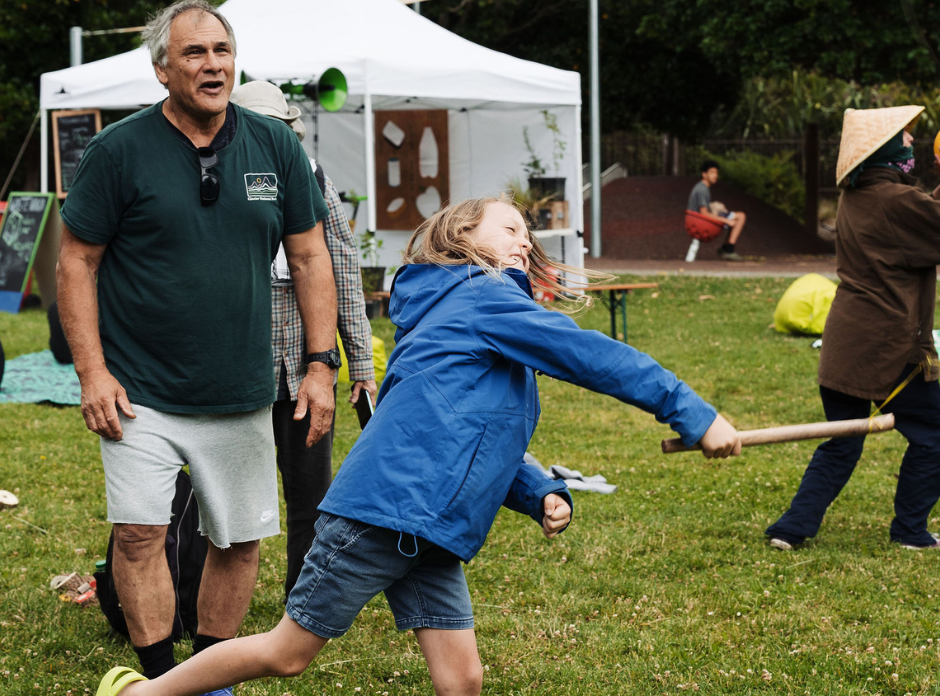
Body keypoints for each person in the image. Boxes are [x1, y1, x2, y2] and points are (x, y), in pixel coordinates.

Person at [96, 197, 740, 696]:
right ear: (463, 239)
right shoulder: (484, 300)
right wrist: (694, 414)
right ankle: (147, 691)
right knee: (286, 653)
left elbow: (465, 434)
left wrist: (537, 489)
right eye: (509, 228)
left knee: (461, 681)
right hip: (380, 517)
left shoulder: (466, 316)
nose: (525, 240)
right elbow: (594, 356)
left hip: (431, 531)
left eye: (528, 233)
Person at [57, 0, 338, 692]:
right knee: (137, 535)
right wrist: (91, 372)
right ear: (162, 70)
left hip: (241, 388)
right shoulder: (118, 151)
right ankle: (158, 679)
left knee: (239, 542)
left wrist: (321, 364)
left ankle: (210, 680)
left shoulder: (275, 145)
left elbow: (310, 257)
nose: (212, 64)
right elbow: (75, 262)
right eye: (193, 52)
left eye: (221, 50)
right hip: (137, 391)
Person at [766, 104, 940, 551]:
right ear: (882, 151)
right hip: (887, 348)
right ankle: (909, 531)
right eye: (902, 137)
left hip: (846, 344)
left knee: (842, 442)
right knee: (935, 434)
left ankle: (790, 530)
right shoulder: (894, 200)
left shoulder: (859, 195)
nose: (911, 143)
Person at [229, 80, 378, 599]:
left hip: (304, 370)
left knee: (311, 492)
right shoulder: (209, 178)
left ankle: (306, 600)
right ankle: (187, 595)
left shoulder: (311, 176)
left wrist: (361, 364)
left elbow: (342, 268)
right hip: (231, 373)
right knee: (218, 495)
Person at [687, 160, 747, 260]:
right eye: (712, 173)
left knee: (734, 218)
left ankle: (726, 249)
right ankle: (728, 250)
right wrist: (726, 220)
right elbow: (704, 213)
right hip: (700, 222)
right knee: (741, 216)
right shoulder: (702, 189)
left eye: (716, 173)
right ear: (704, 174)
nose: (715, 175)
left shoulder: (701, 187)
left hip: (696, 220)